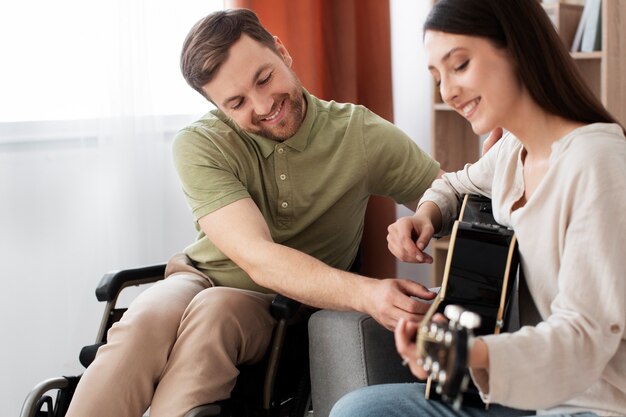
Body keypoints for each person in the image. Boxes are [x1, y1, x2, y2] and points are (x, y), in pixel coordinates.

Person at [65, 8, 449, 417]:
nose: (265, 105)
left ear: (282, 52)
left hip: (283, 305)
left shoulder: (359, 134)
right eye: (236, 102)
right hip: (200, 276)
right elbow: (256, 256)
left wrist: (427, 214)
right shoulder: (201, 144)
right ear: (217, 108)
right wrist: (369, 293)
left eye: (264, 78)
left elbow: (452, 193)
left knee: (214, 314)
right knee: (146, 319)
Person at [329, 0, 626, 416]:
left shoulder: (597, 162)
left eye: (460, 65)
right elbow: (452, 185)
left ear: (518, 48)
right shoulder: (511, 151)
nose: (448, 91)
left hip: (591, 400)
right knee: (357, 410)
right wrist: (425, 216)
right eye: (437, 78)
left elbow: (584, 336)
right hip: (518, 389)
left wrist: (471, 353)